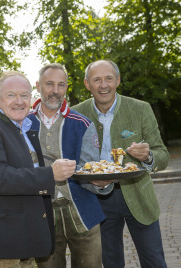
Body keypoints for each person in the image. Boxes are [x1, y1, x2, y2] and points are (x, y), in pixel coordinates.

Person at [0, 71, 76, 268]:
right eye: (11, 95)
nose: (19, 101)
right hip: (2, 242)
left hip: (25, 239)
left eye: (24, 95)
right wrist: (50, 174)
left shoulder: (26, 129)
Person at [72, 59, 169, 268]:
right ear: (87, 84)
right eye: (97, 80)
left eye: (108, 78)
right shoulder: (77, 114)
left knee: (154, 261)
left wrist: (148, 156)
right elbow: (71, 158)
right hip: (98, 198)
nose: (103, 85)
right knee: (111, 263)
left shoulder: (140, 109)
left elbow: (162, 155)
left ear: (118, 80)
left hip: (139, 195)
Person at [27, 63, 112, 268]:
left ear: (66, 88)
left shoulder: (82, 124)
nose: (55, 91)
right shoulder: (23, 123)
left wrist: (101, 183)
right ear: (38, 86)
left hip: (82, 213)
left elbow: (90, 172)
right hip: (42, 216)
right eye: (49, 84)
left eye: (61, 85)